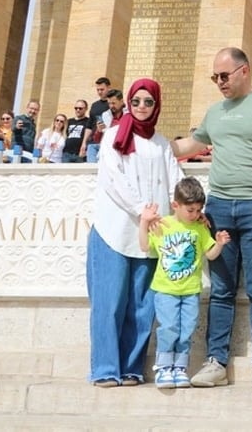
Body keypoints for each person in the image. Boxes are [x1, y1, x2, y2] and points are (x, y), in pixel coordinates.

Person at [171, 47, 252, 389]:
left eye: (224, 75)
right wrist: (149, 139)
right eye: (214, 77)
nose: (219, 82)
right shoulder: (215, 111)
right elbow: (193, 144)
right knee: (221, 290)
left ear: (244, 71)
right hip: (219, 207)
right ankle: (216, 362)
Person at [86, 78, 183, 387]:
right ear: (128, 102)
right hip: (114, 230)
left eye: (149, 102)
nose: (142, 107)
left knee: (143, 305)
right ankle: (104, 368)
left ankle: (132, 367)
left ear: (157, 105)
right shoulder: (114, 135)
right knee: (109, 302)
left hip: (152, 233)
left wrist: (190, 207)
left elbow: (175, 181)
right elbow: (113, 180)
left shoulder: (162, 143)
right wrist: (142, 208)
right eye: (137, 101)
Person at [140, 177, 231, 389]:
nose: (195, 214)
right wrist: (144, 222)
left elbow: (210, 254)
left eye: (199, 210)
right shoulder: (163, 225)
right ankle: (163, 367)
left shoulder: (200, 228)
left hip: (191, 290)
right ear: (175, 205)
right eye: (190, 210)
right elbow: (145, 246)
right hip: (165, 290)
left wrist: (219, 244)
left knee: (187, 328)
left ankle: (180, 367)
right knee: (169, 326)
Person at [83, 77, 111, 163]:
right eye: (98, 90)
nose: (99, 92)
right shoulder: (95, 105)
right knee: (91, 170)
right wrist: (84, 143)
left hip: (107, 143)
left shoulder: (114, 104)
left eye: (102, 89)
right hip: (92, 144)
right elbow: (89, 125)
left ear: (109, 88)